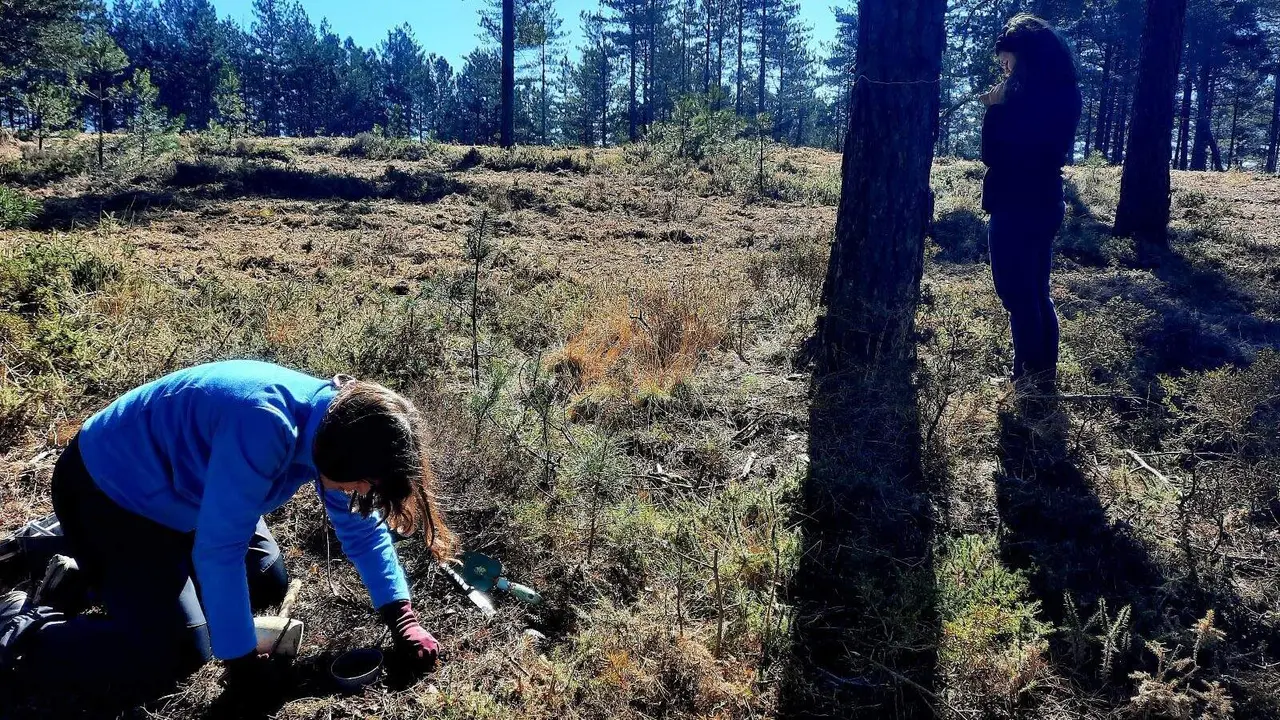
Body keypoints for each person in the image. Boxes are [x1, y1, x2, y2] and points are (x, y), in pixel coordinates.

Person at [0, 359, 455, 701]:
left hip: (190, 496)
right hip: (112, 494)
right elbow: (219, 551)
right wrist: (239, 662)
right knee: (176, 652)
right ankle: (22, 628)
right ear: (343, 461)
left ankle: (94, 573)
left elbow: (360, 526)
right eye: (363, 484)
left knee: (265, 577)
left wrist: (402, 617)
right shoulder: (266, 426)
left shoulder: (340, 428)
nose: (361, 494)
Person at [980, 14, 1083, 393]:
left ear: (1024, 57)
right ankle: (1040, 379)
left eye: (1007, 61)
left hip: (1016, 202)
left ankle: (1027, 381)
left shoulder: (1020, 100)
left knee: (1016, 293)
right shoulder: (1064, 92)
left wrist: (995, 108)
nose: (1004, 68)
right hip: (1045, 200)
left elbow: (995, 153)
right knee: (1037, 292)